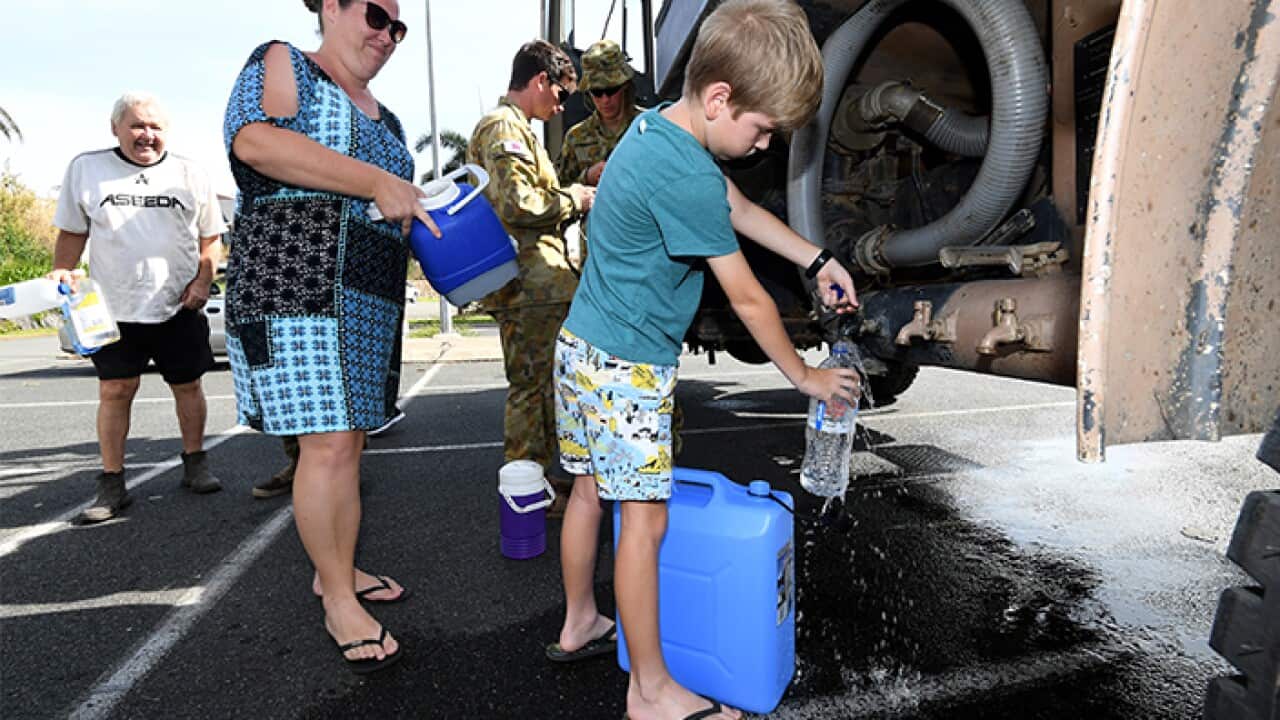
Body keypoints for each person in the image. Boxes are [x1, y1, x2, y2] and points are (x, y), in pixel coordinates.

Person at [548, 2, 859, 718]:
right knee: (644, 520)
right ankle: (650, 691)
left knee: (592, 492)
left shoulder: (662, 129)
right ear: (720, 99)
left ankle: (577, 621)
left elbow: (743, 212)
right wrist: (806, 376)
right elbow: (748, 299)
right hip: (626, 369)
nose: (762, 146)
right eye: (762, 129)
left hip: (583, 348)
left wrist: (817, 257)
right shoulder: (683, 173)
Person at [222, 0, 435, 673]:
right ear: (332, 7)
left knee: (349, 442)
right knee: (330, 444)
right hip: (296, 280)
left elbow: (391, 206)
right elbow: (255, 141)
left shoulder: (390, 118)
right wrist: (377, 180)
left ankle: (334, 569)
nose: (386, 33)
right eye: (375, 13)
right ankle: (339, 599)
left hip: (365, 296)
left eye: (397, 26)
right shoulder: (286, 63)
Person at [49, 91, 226, 525]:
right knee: (115, 391)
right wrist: (61, 271)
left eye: (155, 127)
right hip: (111, 308)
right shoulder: (87, 168)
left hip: (179, 305)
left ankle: (195, 464)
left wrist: (203, 281)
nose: (146, 135)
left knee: (188, 386)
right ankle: (112, 483)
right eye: (137, 125)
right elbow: (72, 232)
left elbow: (210, 239)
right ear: (116, 128)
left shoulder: (190, 172)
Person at [467, 40, 596, 514]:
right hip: (528, 284)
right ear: (541, 81)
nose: (561, 105)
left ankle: (537, 481)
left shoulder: (519, 128)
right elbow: (519, 203)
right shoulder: (505, 128)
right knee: (530, 388)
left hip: (537, 283)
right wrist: (575, 199)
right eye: (560, 94)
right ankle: (525, 486)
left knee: (542, 387)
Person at [556, 39, 642, 198]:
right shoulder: (576, 138)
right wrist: (587, 177)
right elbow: (557, 192)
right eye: (597, 92)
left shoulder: (649, 127)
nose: (605, 100)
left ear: (624, 86)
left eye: (611, 90)